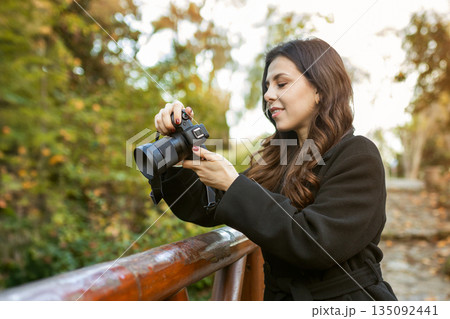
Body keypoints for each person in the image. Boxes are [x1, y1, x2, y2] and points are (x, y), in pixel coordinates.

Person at [150, 37, 397, 301]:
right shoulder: (276, 160)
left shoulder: (358, 154)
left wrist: (234, 185)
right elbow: (202, 206)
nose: (268, 95)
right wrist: (177, 150)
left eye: (281, 83)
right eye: (267, 86)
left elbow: (315, 244)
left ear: (320, 90)